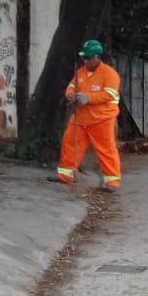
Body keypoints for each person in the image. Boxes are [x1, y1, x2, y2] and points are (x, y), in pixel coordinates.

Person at [53, 39, 122, 193]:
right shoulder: (81, 72)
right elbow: (71, 86)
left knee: (106, 149)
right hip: (80, 118)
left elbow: (109, 94)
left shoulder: (110, 74)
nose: (85, 61)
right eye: (83, 57)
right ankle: (65, 175)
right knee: (69, 143)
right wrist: (70, 95)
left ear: (97, 57)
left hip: (101, 119)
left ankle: (112, 181)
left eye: (88, 58)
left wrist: (88, 98)